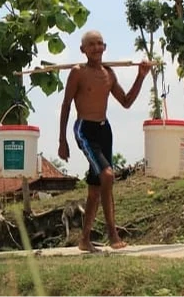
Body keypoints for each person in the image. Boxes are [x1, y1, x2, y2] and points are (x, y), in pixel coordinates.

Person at [57, 30, 151, 252]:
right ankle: (112, 233)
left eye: (100, 43)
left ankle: (85, 240)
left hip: (104, 130)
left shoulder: (109, 73)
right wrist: (62, 140)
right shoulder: (77, 72)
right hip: (84, 130)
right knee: (107, 175)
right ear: (83, 50)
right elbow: (66, 105)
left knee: (95, 189)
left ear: (105, 47)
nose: (96, 48)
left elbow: (126, 101)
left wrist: (141, 76)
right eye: (91, 44)